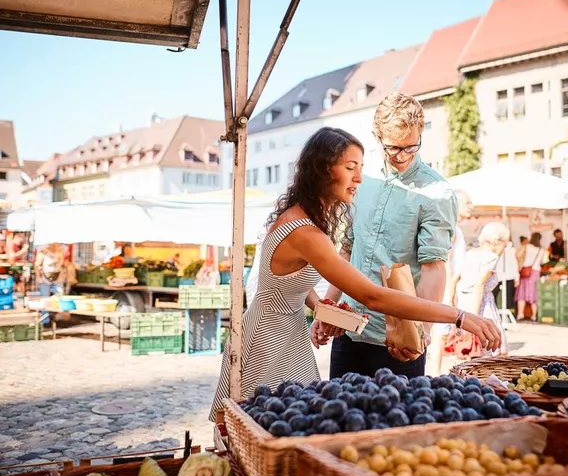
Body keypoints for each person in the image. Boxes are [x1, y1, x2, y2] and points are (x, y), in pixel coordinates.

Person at [209, 127, 500, 418]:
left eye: (360, 167)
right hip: (268, 342)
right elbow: (372, 296)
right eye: (350, 168)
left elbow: (287, 281)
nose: (359, 178)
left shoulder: (302, 218)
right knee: (271, 432)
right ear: (323, 169)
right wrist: (459, 316)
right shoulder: (306, 233)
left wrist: (319, 306)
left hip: (285, 335)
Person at [312, 93, 459, 379]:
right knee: (340, 419)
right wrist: (325, 309)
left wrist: (423, 333)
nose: (402, 156)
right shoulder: (362, 180)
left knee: (396, 422)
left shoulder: (437, 192)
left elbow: (433, 268)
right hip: (349, 330)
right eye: (393, 148)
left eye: (411, 147)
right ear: (377, 137)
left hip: (399, 340)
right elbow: (346, 251)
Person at [448, 222, 509, 358]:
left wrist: (452, 302)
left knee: (467, 352)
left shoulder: (469, 253)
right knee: (490, 351)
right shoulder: (491, 257)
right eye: (506, 242)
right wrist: (474, 318)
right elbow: (478, 286)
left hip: (463, 304)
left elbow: (455, 279)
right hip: (481, 305)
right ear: (498, 242)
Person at [428, 189, 472, 376]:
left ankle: (436, 371)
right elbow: (445, 261)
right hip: (446, 286)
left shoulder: (455, 229)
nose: (472, 206)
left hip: (450, 285)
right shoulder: (451, 228)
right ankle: (435, 372)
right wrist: (450, 292)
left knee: (443, 333)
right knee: (441, 332)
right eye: (468, 202)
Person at [516, 232, 544, 321]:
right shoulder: (541, 250)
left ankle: (520, 314)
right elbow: (542, 261)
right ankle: (534, 315)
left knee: (522, 292)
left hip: (526, 271)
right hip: (536, 272)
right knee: (533, 292)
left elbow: (517, 255)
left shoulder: (527, 246)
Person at [493, 239, 519, 315]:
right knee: (506, 296)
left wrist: (516, 276)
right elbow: (514, 263)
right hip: (502, 276)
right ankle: (497, 313)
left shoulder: (509, 250)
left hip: (504, 275)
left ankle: (500, 314)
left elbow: (514, 263)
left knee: (505, 296)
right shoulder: (509, 250)